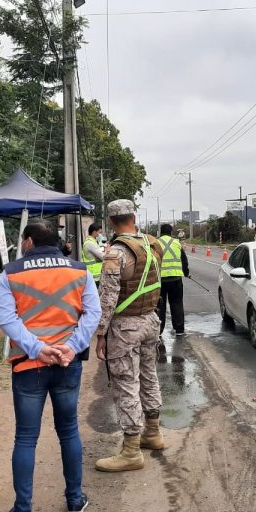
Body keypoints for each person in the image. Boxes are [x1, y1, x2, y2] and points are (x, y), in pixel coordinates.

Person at [0, 220, 102, 512]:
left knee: (26, 438)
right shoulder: (80, 270)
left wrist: (37, 349)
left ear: (28, 242)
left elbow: (7, 318)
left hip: (29, 367)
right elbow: (91, 314)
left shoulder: (11, 273)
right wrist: (70, 347)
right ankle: (74, 501)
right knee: (68, 430)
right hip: (67, 365)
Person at [94, 199, 165, 473]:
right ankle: (153, 433)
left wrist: (101, 333)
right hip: (150, 320)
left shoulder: (116, 252)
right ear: (133, 217)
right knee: (149, 377)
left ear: (112, 222)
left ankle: (131, 451)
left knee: (125, 384)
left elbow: (108, 296)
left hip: (126, 327)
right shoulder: (152, 244)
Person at [156, 223, 189, 336]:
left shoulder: (156, 243)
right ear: (171, 232)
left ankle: (159, 330)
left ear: (161, 232)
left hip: (160, 280)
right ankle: (179, 329)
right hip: (175, 279)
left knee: (160, 305)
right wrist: (186, 273)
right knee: (177, 303)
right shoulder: (176, 243)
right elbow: (184, 260)